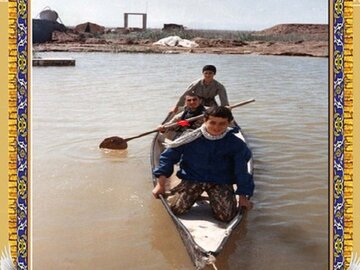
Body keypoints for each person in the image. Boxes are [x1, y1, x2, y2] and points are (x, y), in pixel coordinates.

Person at [152, 106, 254, 222]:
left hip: (221, 181)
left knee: (226, 217)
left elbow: (241, 171)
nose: (216, 127)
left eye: (222, 123)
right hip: (193, 178)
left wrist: (243, 196)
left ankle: (216, 198)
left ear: (229, 123)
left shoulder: (236, 144)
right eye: (212, 122)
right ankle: (188, 194)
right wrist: (160, 185)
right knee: (176, 209)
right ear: (205, 121)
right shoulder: (189, 138)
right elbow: (167, 158)